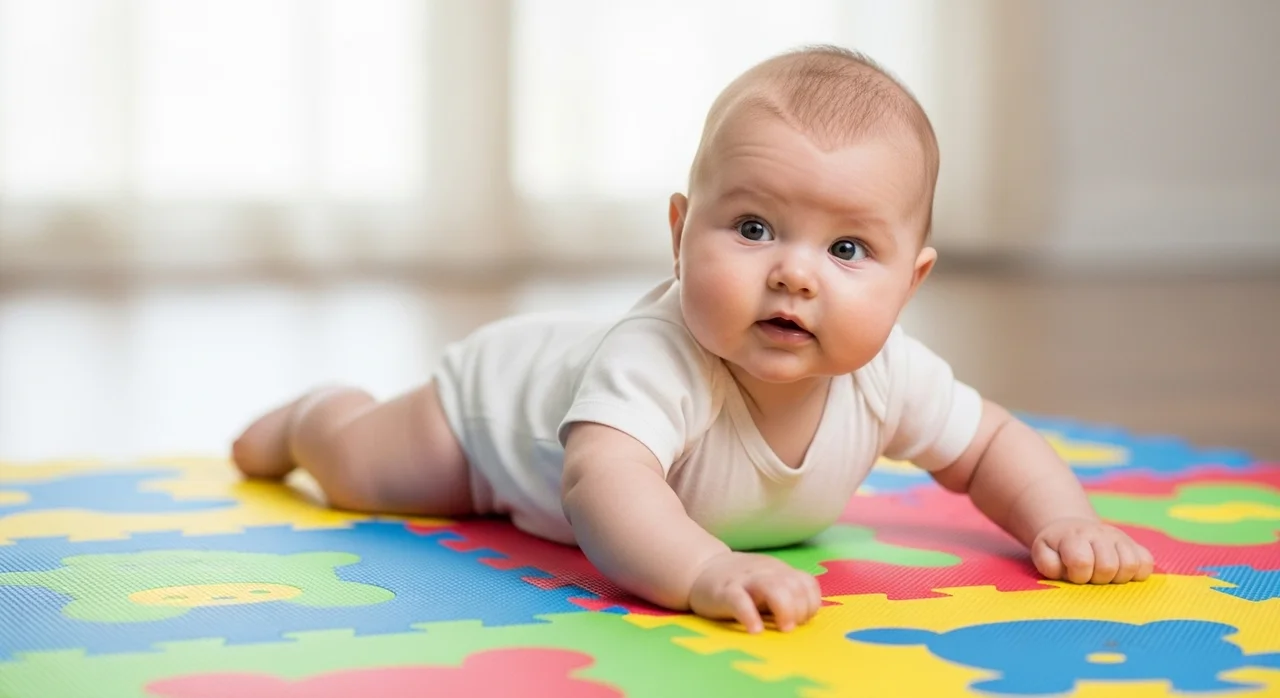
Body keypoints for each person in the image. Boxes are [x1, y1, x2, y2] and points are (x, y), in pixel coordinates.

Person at [232, 45, 1154, 635]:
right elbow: (605, 484)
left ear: (911, 280)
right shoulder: (662, 357)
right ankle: (315, 416)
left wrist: (1062, 520)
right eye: (753, 229)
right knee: (369, 477)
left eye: (847, 248)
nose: (795, 273)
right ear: (679, 234)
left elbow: (989, 444)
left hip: (557, 394)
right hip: (488, 418)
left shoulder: (889, 376)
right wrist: (702, 568)